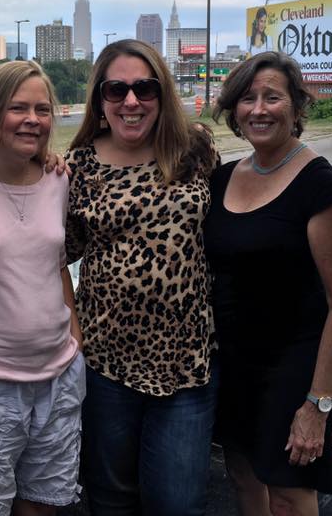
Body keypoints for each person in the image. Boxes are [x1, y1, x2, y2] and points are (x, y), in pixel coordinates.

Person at [65, 39, 218, 516]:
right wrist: (74, 332)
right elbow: (51, 257)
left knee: (176, 502)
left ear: (161, 93)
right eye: (117, 90)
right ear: (100, 100)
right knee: (110, 499)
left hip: (187, 362)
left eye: (144, 88)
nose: (131, 101)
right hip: (105, 361)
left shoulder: (194, 150)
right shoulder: (78, 167)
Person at [203, 51, 332, 516]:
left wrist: (318, 404)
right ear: (234, 110)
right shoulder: (223, 178)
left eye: (273, 97)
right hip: (234, 362)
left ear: (295, 106)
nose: (259, 109)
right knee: (244, 477)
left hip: (293, 367)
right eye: (247, 98)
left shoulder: (320, 187)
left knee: (290, 494)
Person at [0, 60, 85, 516]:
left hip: (58, 377)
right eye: (18, 108)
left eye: (42, 109)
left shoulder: (57, 179)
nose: (33, 119)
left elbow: (55, 263)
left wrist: (76, 337)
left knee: (43, 505)